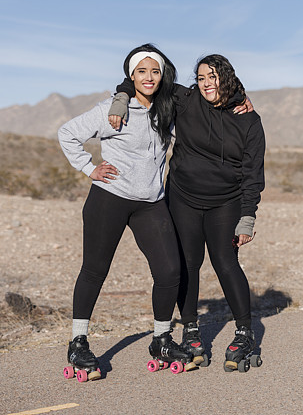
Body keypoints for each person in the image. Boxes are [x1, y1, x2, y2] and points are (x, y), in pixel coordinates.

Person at [109, 53, 266, 372]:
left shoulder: (248, 119)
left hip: (226, 201)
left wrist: (247, 216)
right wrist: (121, 97)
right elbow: (147, 80)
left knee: (225, 262)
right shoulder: (186, 99)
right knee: (188, 265)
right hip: (183, 198)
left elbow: (253, 173)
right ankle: (191, 329)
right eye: (201, 77)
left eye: (213, 76)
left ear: (227, 77)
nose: (207, 83)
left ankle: (244, 333)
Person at [57, 43, 194, 380]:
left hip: (151, 202)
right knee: (94, 270)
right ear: (130, 76)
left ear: (163, 75)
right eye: (141, 71)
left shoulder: (167, 111)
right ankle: (78, 342)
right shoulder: (115, 109)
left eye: (155, 71)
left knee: (170, 271)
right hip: (110, 198)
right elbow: (68, 134)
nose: (149, 77)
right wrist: (89, 168)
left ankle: (161, 338)